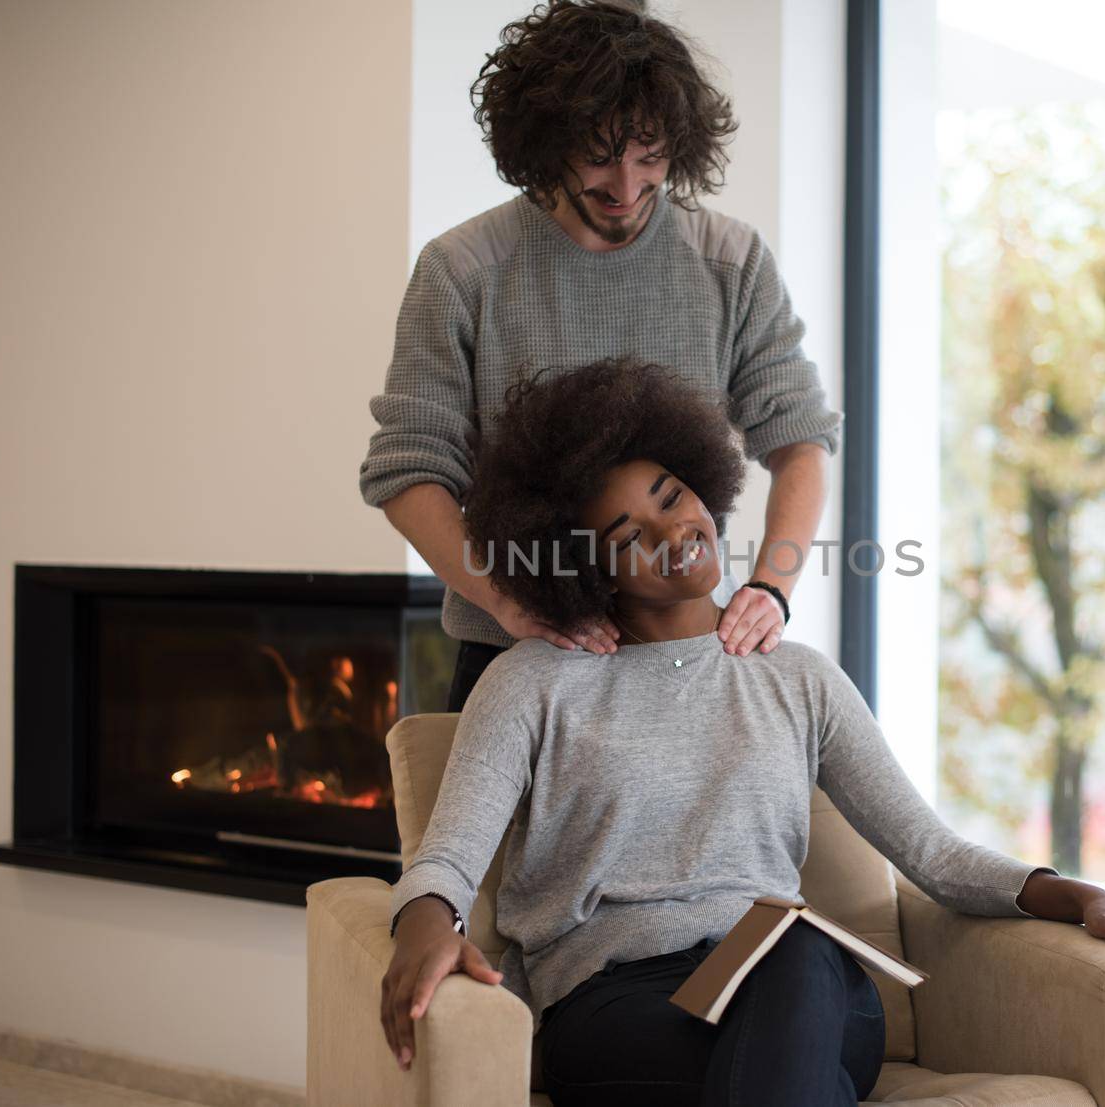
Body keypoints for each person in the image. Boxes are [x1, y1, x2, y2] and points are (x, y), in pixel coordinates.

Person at [378, 360, 1105, 1106]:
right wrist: (424, 924)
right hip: (620, 1005)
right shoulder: (532, 680)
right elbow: (446, 860)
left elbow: (932, 853)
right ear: (585, 563)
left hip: (804, 987)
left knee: (798, 949)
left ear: (701, 480)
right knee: (797, 1045)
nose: (675, 533)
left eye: (671, 496)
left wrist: (1077, 893)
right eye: (629, 536)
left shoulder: (796, 677)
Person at [358, 0, 841, 712]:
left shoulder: (729, 261)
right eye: (597, 156)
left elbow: (800, 438)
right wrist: (510, 602)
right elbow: (408, 471)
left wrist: (771, 587)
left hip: (685, 661)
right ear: (543, 141)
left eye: (650, 158)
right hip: (515, 661)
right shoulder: (463, 270)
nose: (625, 188)